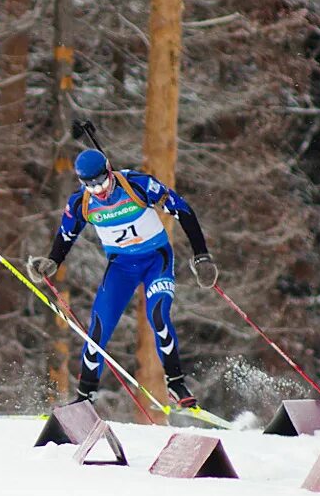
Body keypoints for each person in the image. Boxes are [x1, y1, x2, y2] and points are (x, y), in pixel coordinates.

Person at [27, 147, 218, 408]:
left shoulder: (138, 185)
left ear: (109, 171)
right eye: (90, 186)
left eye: (102, 183)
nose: (99, 190)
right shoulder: (81, 203)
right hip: (121, 267)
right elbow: (66, 235)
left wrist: (202, 256)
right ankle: (84, 398)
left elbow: (182, 210)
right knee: (98, 328)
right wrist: (53, 261)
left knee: (158, 315)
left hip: (156, 260)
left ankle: (175, 383)